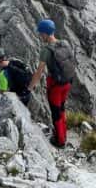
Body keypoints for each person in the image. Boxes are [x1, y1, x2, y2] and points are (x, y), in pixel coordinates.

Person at [27, 19, 75, 148]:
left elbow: (39, 72)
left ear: (46, 34)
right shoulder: (64, 43)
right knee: (62, 109)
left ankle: (60, 141)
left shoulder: (47, 50)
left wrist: (30, 88)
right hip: (67, 82)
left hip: (55, 86)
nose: (40, 36)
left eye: (41, 33)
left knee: (55, 112)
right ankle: (63, 134)